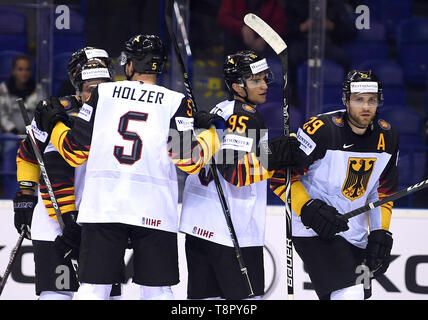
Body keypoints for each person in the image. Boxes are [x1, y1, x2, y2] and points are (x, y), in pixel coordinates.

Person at [33, 34, 221, 300]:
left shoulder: (103, 93)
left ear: (130, 65)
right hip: (154, 209)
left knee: (93, 287)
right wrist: (212, 132)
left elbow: (74, 153)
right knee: (158, 290)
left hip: (104, 207)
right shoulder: (175, 101)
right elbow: (189, 161)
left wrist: (55, 124)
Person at [179, 50, 302, 300]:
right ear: (237, 86)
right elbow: (234, 172)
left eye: (265, 79)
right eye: (255, 80)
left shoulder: (220, 109)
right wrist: (275, 153)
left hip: (199, 226)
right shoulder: (244, 116)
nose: (264, 85)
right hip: (229, 230)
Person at [270, 70, 399, 300]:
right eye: (359, 100)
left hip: (355, 233)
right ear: (346, 100)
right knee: (350, 293)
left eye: (372, 100)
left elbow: (382, 191)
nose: (366, 107)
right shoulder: (321, 129)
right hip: (313, 229)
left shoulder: (388, 138)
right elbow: (280, 175)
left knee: (358, 294)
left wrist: (380, 232)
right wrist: (308, 208)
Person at [13, 47, 120, 300]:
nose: (97, 96)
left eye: (103, 88)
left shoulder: (121, 117)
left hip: (99, 225)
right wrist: (25, 200)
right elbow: (28, 155)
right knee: (56, 296)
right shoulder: (53, 112)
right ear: (77, 85)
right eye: (90, 89)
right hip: (56, 225)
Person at [217, 0, 286, 55]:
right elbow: (223, 17)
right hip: (238, 42)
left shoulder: (273, 3)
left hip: (266, 47)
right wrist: (241, 27)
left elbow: (280, 23)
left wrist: (267, 38)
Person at [0, 54, 44, 134]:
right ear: (14, 71)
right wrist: (13, 131)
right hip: (10, 134)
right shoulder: (3, 89)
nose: (24, 73)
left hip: (33, 133)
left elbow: (42, 114)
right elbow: (2, 115)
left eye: (27, 69)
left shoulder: (38, 89)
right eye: (20, 69)